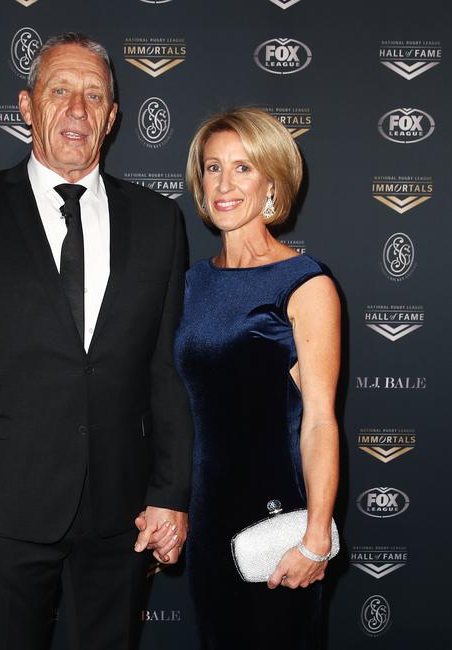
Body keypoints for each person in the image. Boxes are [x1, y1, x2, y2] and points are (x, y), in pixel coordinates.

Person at [0, 32, 194, 650]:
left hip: (123, 512)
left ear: (113, 119)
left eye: (95, 96)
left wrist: (170, 494)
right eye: (59, 90)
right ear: (27, 105)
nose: (77, 109)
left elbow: (167, 372)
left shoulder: (158, 221)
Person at [175, 107, 340, 649]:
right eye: (213, 167)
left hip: (277, 523)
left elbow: (318, 420)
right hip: (205, 517)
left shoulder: (303, 283)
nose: (224, 184)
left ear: (272, 180)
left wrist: (316, 538)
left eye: (243, 168)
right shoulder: (191, 282)